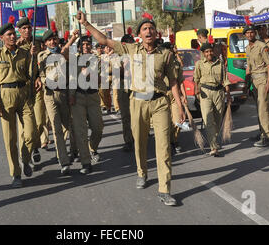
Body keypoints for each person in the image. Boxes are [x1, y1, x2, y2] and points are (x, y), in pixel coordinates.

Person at [76, 10, 185, 206]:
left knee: (163, 147)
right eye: (145, 29)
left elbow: (174, 82)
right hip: (138, 101)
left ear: (156, 33)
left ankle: (164, 189)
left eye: (151, 28)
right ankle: (142, 172)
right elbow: (104, 40)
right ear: (139, 35)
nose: (149, 30)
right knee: (140, 141)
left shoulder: (166, 55)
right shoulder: (130, 49)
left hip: (160, 103)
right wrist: (86, 24)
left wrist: (181, 105)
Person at [0, 20, 39, 188]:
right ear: (2, 37)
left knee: (31, 133)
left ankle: (25, 159)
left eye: (13, 34)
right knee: (10, 140)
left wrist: (33, 58)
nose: (12, 36)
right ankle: (16, 174)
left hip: (24, 95)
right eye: (8, 35)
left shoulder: (24, 52)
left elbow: (31, 75)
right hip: (6, 96)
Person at [36, 29, 77, 175]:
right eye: (49, 40)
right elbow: (40, 74)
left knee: (68, 125)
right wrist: (43, 81)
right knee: (56, 126)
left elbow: (72, 75)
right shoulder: (41, 56)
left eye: (54, 39)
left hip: (64, 93)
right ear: (45, 43)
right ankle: (63, 161)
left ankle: (73, 150)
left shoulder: (65, 54)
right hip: (49, 95)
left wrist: (72, 94)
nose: (52, 42)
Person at [69, 33, 104, 173]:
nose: (85, 47)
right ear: (78, 47)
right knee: (80, 131)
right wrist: (71, 95)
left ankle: (93, 148)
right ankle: (86, 161)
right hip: (78, 97)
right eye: (82, 45)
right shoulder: (74, 61)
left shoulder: (97, 60)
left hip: (93, 96)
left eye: (88, 44)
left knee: (98, 127)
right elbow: (72, 79)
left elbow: (100, 79)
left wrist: (88, 72)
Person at [15, 16, 43, 170]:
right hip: (23, 89)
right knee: (24, 128)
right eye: (23, 28)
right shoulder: (17, 46)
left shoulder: (37, 43)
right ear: (19, 31)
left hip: (37, 87)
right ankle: (25, 156)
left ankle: (35, 146)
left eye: (28, 28)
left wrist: (38, 77)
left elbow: (41, 64)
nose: (27, 30)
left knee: (39, 121)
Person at [194, 43, 231, 156]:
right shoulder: (199, 64)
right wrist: (197, 91)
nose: (209, 53)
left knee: (218, 120)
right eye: (206, 52)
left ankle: (213, 139)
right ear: (203, 53)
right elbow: (196, 79)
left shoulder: (220, 63)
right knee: (208, 119)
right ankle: (213, 147)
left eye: (210, 51)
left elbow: (225, 80)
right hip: (205, 93)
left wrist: (228, 94)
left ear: (213, 51)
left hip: (219, 93)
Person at [244, 25, 269, 147]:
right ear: (245, 35)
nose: (250, 34)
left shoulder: (262, 46)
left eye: (252, 32)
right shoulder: (248, 48)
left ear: (255, 33)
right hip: (254, 80)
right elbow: (248, 67)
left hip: (262, 79)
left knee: (263, 108)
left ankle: (267, 136)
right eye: (248, 33)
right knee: (258, 108)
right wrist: (246, 83)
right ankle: (262, 132)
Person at [118, 33, 136, 152]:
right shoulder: (117, 56)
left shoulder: (137, 55)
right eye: (128, 42)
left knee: (137, 115)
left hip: (136, 87)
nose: (131, 44)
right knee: (126, 116)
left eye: (132, 42)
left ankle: (139, 137)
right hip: (123, 87)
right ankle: (128, 141)